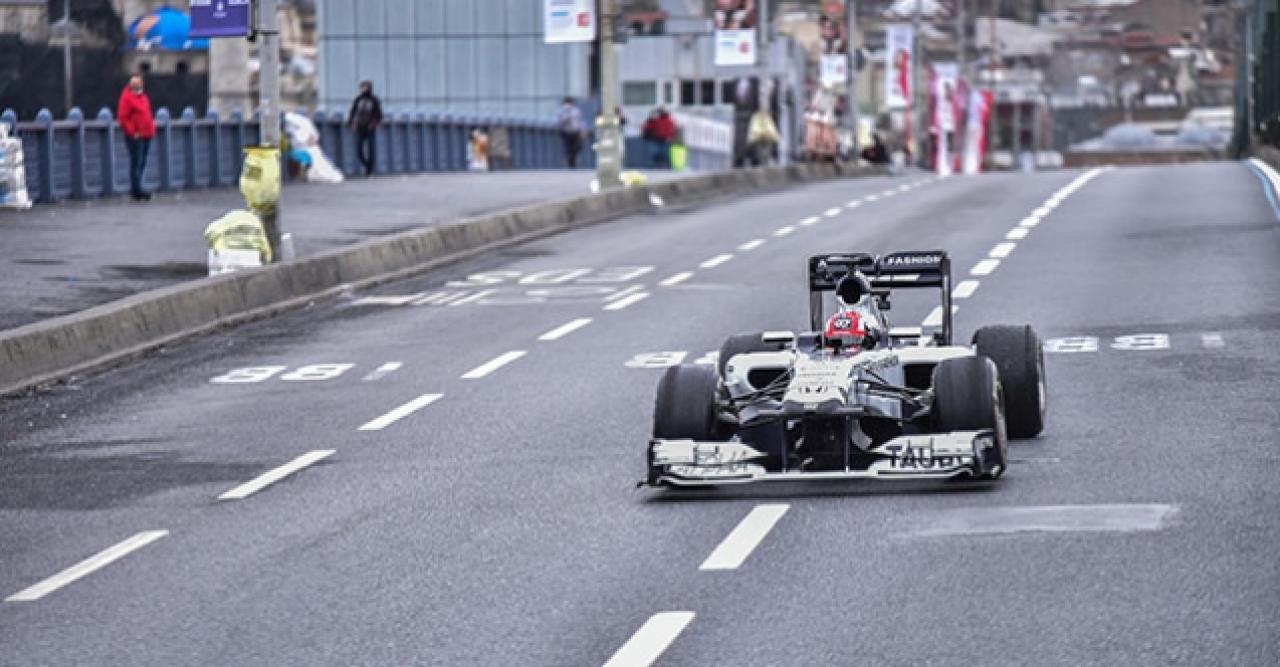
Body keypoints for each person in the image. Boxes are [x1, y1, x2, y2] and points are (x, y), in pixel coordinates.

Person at [116, 73, 155, 201]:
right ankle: (136, 190)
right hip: (136, 136)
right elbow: (123, 117)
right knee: (136, 163)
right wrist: (133, 132)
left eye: (138, 83)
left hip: (146, 134)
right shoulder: (127, 98)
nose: (136, 86)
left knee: (142, 161)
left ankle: (138, 187)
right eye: (134, 84)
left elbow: (146, 114)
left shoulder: (143, 97)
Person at [347, 80, 383, 176]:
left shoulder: (374, 100)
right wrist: (351, 123)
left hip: (370, 128)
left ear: (369, 88)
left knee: (371, 149)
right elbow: (352, 112)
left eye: (365, 87)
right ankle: (366, 165)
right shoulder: (358, 99)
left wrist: (374, 123)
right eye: (362, 87)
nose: (363, 89)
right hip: (359, 127)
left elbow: (379, 114)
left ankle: (369, 170)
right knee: (359, 150)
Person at [557, 97, 585, 168]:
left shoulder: (576, 111)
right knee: (568, 148)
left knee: (577, 147)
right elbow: (559, 121)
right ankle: (569, 163)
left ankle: (572, 160)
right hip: (565, 132)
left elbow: (580, 121)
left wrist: (582, 130)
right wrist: (566, 117)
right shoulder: (561, 111)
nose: (568, 105)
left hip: (575, 131)